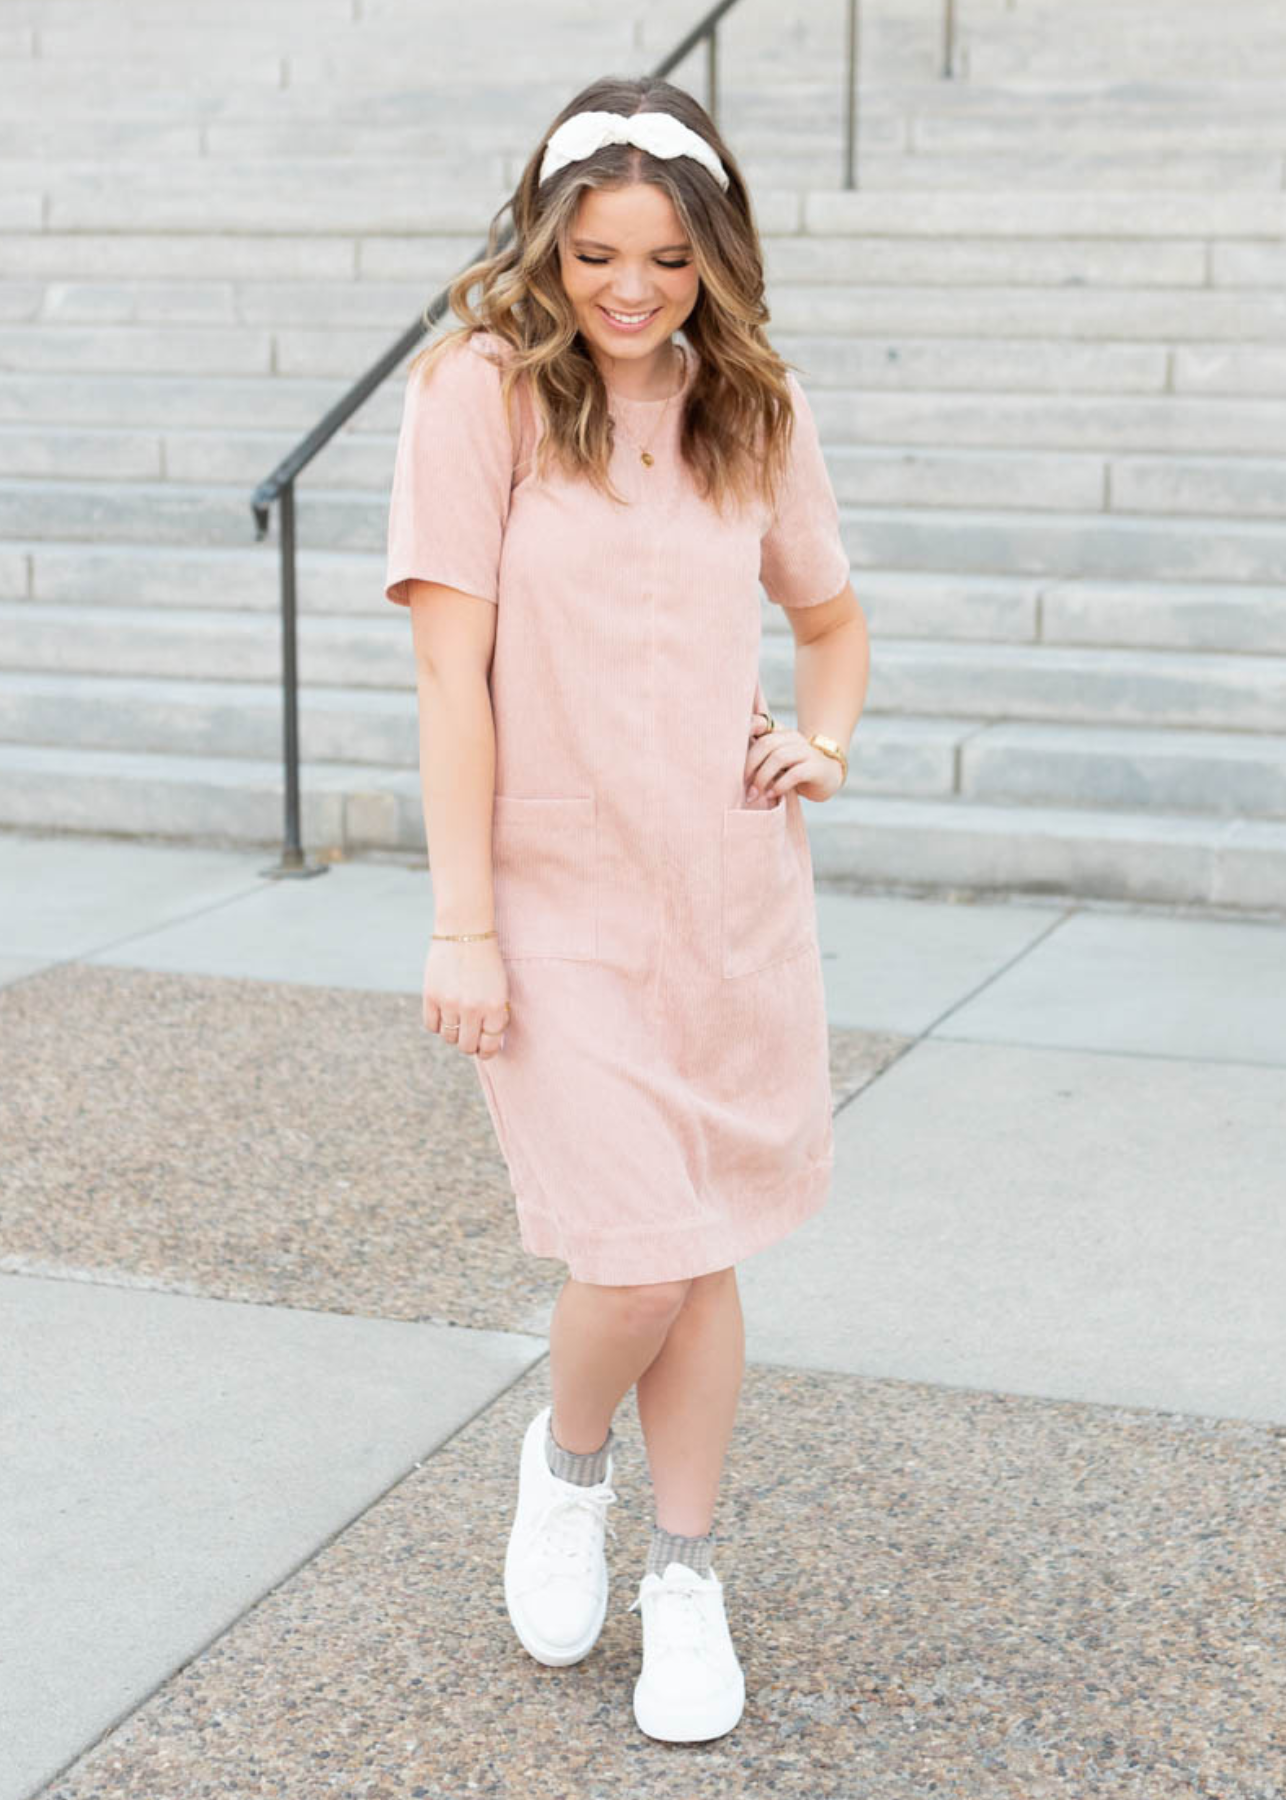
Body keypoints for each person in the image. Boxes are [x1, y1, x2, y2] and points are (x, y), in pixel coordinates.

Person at [383, 73, 870, 1745]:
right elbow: (453, 673)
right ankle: (565, 1463)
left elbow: (830, 617)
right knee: (640, 1252)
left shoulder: (755, 407)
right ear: (547, 244)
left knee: (697, 1244)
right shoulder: (481, 396)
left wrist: (819, 745)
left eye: (663, 257)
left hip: (728, 900)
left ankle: (684, 1576)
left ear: (711, 253)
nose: (627, 290)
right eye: (594, 255)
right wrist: (463, 921)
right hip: (552, 890)